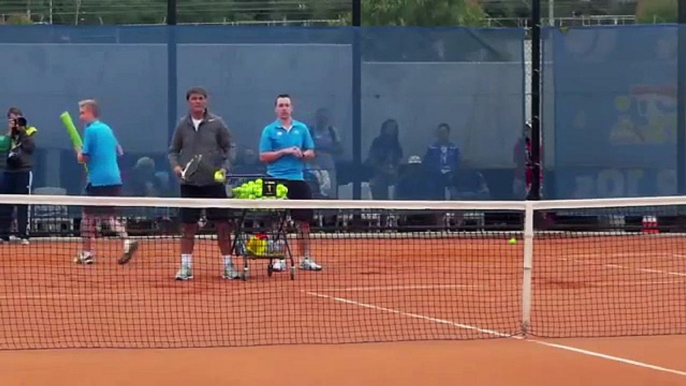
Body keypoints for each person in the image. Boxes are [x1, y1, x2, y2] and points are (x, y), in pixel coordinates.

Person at [169, 87, 239, 281]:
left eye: (201, 98)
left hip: (213, 183)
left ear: (206, 101)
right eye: (194, 99)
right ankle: (185, 267)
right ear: (188, 102)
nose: (197, 102)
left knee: (223, 225)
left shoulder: (217, 123)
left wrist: (225, 168)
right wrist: (176, 167)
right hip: (189, 183)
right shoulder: (182, 125)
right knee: (188, 226)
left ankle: (228, 266)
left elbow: (230, 146)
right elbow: (173, 150)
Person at [259, 94, 322, 272]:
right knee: (277, 221)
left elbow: (311, 152)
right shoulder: (269, 131)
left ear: (291, 108)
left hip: (297, 179)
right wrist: (285, 151)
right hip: (275, 180)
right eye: (280, 105)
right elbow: (263, 156)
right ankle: (279, 259)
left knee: (303, 222)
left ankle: (305, 258)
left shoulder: (301, 129)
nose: (284, 108)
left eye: (287, 105)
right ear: (276, 109)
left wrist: (303, 154)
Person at [74, 99, 138, 265]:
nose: (80, 117)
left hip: (97, 180)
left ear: (91, 113)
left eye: (82, 113)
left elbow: (84, 157)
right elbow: (120, 151)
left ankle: (87, 253)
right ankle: (126, 240)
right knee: (108, 216)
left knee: (87, 217)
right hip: (114, 178)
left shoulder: (90, 130)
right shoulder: (107, 129)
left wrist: (79, 153)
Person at [0, 108, 37, 244]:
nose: (15, 122)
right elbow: (3, 146)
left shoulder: (30, 132)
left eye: (17, 118)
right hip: (8, 171)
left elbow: (30, 148)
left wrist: (21, 131)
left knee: (23, 204)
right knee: (4, 204)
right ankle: (3, 234)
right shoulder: (6, 135)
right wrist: (11, 132)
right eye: (12, 119)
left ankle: (23, 235)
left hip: (23, 171)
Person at [309, 108, 342, 198]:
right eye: (320, 117)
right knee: (313, 190)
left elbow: (339, 149)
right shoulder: (310, 131)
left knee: (329, 192)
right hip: (312, 167)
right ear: (316, 118)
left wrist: (327, 151)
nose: (322, 120)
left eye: (324, 118)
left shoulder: (332, 132)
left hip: (329, 166)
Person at [366, 119, 403, 200]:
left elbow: (400, 159)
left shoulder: (396, 144)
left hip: (393, 175)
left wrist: (394, 169)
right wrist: (383, 169)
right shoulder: (377, 142)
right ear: (384, 128)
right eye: (390, 127)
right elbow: (372, 159)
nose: (392, 129)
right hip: (379, 174)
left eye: (394, 127)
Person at [423, 123, 461, 200]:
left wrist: (453, 173)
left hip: (451, 177)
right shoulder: (432, 148)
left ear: (448, 133)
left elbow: (458, 162)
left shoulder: (454, 148)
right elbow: (427, 162)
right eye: (440, 132)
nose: (442, 134)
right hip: (436, 177)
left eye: (444, 132)